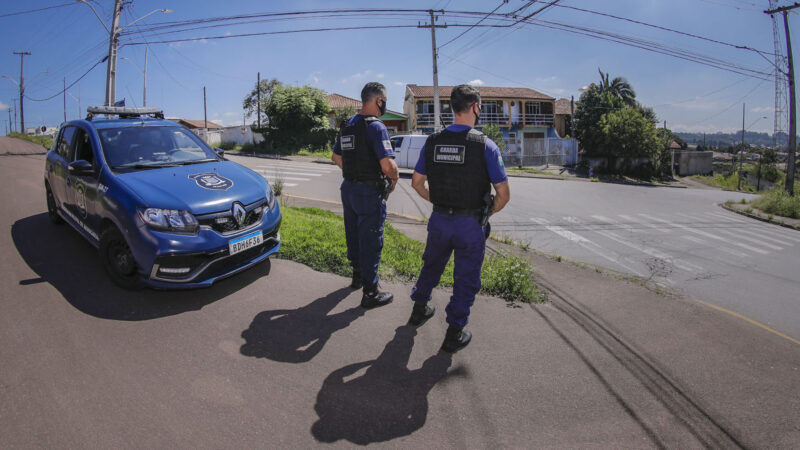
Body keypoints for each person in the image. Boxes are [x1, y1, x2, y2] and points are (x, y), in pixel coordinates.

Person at [408, 84, 510, 353]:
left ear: (452, 108)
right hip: (470, 224)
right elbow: (503, 194)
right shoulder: (486, 145)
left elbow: (417, 183)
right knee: (465, 278)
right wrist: (485, 213)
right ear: (476, 107)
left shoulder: (432, 142)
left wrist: (439, 200)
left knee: (431, 265)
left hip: (440, 219)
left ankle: (419, 309)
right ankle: (454, 333)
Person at [331, 82, 399, 309]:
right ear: (379, 100)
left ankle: (357, 276)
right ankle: (370, 292)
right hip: (369, 192)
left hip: (348, 188)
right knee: (371, 239)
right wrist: (395, 179)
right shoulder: (376, 127)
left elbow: (336, 157)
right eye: (385, 100)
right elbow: (388, 165)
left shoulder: (348, 125)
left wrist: (354, 173)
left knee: (353, 233)